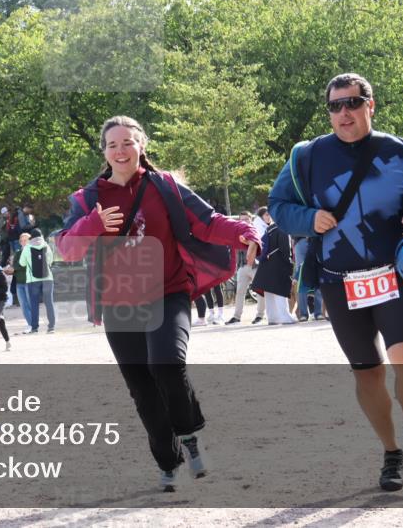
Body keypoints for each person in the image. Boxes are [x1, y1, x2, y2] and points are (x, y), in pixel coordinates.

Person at [55, 115, 260, 492]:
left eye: (127, 142)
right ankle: (168, 462)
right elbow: (66, 248)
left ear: (142, 146)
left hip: (168, 291)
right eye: (112, 144)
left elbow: (208, 221)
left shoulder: (165, 186)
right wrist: (93, 224)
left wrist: (245, 233)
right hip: (119, 302)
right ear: (104, 152)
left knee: (167, 363)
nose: (120, 150)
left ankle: (190, 435)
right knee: (142, 389)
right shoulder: (88, 198)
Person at [268, 73, 403, 492]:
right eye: (335, 106)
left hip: (393, 276)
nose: (343, 113)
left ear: (371, 104)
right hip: (339, 282)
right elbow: (279, 204)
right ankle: (391, 451)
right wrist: (308, 218)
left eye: (352, 103)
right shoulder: (307, 156)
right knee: (367, 373)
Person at [252, 212, 298, 325]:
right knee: (280, 291)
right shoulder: (282, 229)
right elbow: (285, 250)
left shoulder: (269, 229)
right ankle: (284, 317)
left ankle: (272, 318)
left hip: (265, 265)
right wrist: (289, 264)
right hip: (278, 264)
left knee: (269, 292)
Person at [19, 228, 56, 333]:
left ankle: (35, 328)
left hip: (32, 280)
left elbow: (22, 263)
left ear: (31, 237)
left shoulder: (27, 247)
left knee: (34, 304)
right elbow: (50, 261)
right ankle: (51, 327)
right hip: (47, 278)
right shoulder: (46, 246)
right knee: (49, 303)